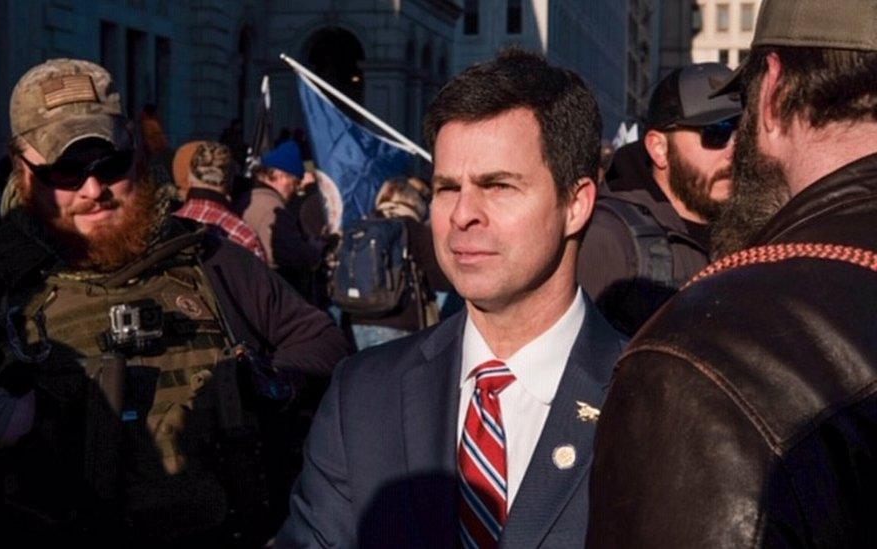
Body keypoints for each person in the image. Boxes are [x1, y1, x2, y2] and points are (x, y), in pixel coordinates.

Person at [0, 58, 351, 547]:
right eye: (65, 171)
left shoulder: (209, 259)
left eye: (108, 164)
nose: (93, 191)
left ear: (135, 153)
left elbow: (321, 341)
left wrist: (269, 383)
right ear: (23, 169)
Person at [277, 48, 625, 548]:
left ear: (576, 205)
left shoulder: (652, 401)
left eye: (498, 186)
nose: (462, 214)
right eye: (445, 188)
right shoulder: (362, 396)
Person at [587, 0, 877, 547]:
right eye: (713, 132)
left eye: (734, 121)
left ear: (769, 94)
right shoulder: (617, 243)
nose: (734, 142)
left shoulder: (699, 361)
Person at [577, 63, 741, 335]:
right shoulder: (609, 238)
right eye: (717, 132)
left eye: (744, 133)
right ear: (659, 148)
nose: (734, 151)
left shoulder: (754, 231)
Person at [341, 176, 451, 349]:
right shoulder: (410, 228)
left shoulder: (360, 226)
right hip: (399, 320)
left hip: (354, 319)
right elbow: (441, 280)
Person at [238, 140, 337, 295]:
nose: (297, 189)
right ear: (280, 175)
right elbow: (290, 256)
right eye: (295, 182)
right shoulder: (273, 208)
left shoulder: (249, 198)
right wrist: (315, 249)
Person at [171, 140, 266, 260]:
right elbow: (259, 278)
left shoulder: (170, 227)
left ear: (189, 178)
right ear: (230, 181)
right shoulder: (244, 236)